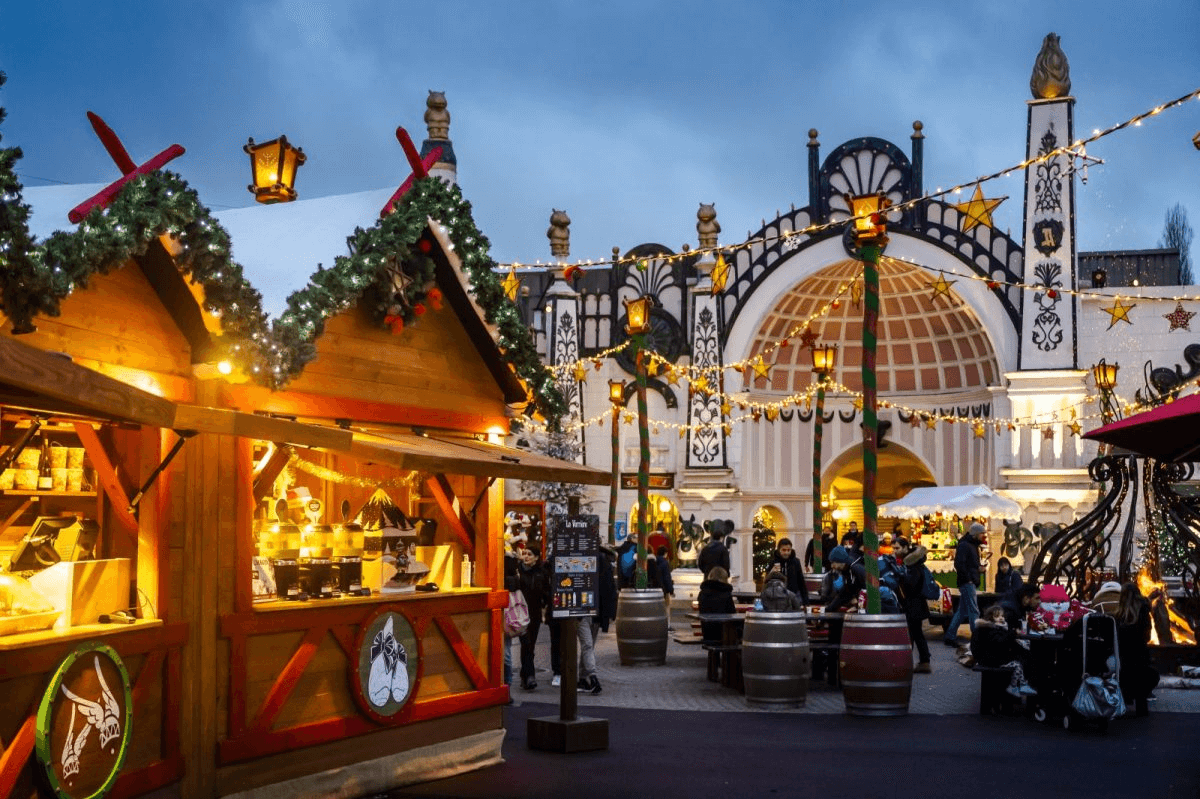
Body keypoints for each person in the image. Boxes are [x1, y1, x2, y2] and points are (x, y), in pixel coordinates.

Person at [971, 604, 1038, 698]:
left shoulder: (996, 627)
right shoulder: (988, 629)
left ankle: (1021, 685)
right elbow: (1000, 643)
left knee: (1024, 655)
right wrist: (1013, 634)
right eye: (997, 616)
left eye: (1002, 616)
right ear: (990, 617)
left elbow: (1004, 642)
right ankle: (1018, 687)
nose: (1001, 618)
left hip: (992, 655)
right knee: (1021, 659)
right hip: (988, 658)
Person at [577, 544, 618, 695]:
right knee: (588, 645)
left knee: (588, 645)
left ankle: (583, 678)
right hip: (593, 611)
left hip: (585, 610)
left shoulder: (594, 560)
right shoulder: (604, 561)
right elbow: (610, 589)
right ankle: (592, 676)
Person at [1115, 582, 1159, 716]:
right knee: (1144, 674)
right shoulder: (1143, 612)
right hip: (1141, 659)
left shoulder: (1118, 616)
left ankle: (1124, 699)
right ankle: (1141, 706)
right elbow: (1146, 636)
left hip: (1123, 660)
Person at [942, 522, 986, 647]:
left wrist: (978, 568)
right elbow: (959, 564)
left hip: (967, 581)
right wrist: (969, 579)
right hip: (967, 582)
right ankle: (977, 640)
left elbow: (967, 565)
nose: (984, 536)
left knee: (962, 611)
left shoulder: (970, 545)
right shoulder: (965, 545)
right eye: (982, 533)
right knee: (973, 610)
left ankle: (950, 636)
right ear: (976, 534)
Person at [896, 538, 933, 673]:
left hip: (913, 604)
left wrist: (900, 578)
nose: (895, 551)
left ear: (906, 548)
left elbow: (912, 585)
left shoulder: (912, 563)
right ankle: (923, 661)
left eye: (897, 548)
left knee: (912, 633)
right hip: (916, 603)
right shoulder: (912, 562)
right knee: (916, 633)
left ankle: (910, 662)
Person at [517, 545, 549, 690]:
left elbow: (546, 591)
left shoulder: (541, 572)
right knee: (526, 643)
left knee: (530, 645)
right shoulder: (518, 571)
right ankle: (530, 676)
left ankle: (525, 675)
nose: (526, 556)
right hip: (520, 613)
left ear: (536, 557)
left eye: (530, 554)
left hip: (534, 614)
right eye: (525, 554)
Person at [697, 566, 736, 644]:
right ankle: (731, 655)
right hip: (724, 632)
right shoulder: (726, 593)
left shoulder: (703, 593)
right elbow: (732, 613)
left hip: (708, 632)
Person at [767, 537, 810, 605]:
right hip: (777, 597)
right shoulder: (773, 562)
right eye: (784, 550)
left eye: (788, 550)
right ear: (779, 550)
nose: (786, 552)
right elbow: (767, 580)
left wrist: (805, 600)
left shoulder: (796, 562)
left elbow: (801, 580)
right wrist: (772, 572)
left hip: (793, 595)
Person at [823, 546, 866, 612]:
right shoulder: (846, 570)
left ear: (840, 561)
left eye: (833, 563)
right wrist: (830, 609)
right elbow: (846, 591)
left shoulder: (856, 568)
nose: (832, 566)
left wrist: (857, 606)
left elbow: (866, 589)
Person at [655, 545, 674, 617]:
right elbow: (667, 578)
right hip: (664, 589)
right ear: (665, 553)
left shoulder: (654, 562)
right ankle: (666, 624)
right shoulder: (665, 563)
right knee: (666, 607)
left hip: (656, 588)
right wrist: (671, 590)